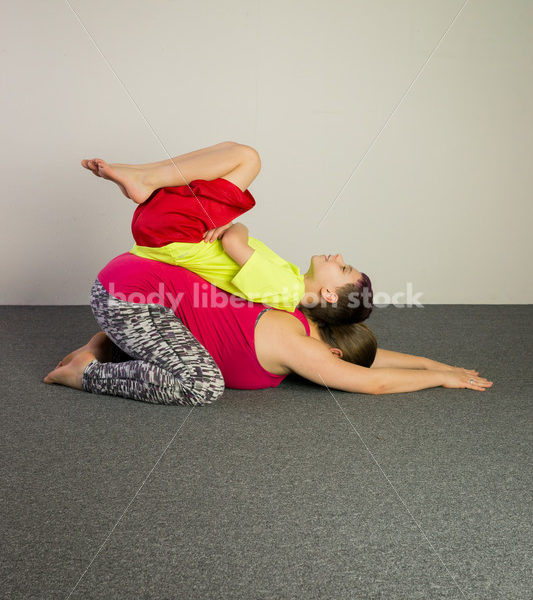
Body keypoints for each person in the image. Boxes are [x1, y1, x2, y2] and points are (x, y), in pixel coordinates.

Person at [43, 142, 493, 404]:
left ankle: (104, 343)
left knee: (244, 159)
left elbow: (372, 358)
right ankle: (84, 371)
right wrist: (439, 376)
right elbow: (371, 378)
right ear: (329, 350)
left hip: (140, 282)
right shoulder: (294, 331)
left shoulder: (292, 310)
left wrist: (439, 364)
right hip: (130, 293)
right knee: (203, 386)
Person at [81, 141, 373, 323]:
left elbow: (234, 243)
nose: (338, 256)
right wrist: (232, 225)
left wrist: (235, 226)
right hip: (172, 232)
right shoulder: (291, 279)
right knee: (231, 149)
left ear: (329, 295)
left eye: (344, 267)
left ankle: (144, 179)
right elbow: (234, 241)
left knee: (247, 158)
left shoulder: (287, 288)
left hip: (178, 235)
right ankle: (141, 175)